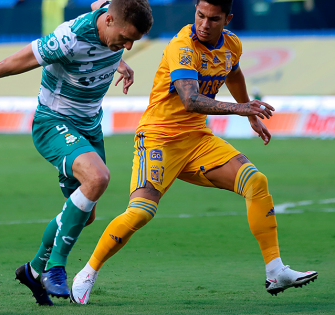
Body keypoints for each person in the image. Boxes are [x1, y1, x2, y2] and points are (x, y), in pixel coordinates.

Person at [0, 0, 153, 305]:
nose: (127, 47)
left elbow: (100, 7)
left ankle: (33, 271)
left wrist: (116, 61)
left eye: (133, 42)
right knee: (98, 177)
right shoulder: (68, 39)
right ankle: (56, 268)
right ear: (110, 20)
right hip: (55, 122)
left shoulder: (111, 13)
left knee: (83, 217)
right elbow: (4, 66)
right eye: (125, 38)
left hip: (89, 126)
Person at [70, 0, 318, 304]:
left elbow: (233, 73)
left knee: (256, 182)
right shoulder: (182, 46)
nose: (203, 24)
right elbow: (190, 99)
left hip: (197, 140)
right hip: (158, 138)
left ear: (227, 19)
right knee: (141, 213)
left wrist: (251, 114)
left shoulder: (232, 46)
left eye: (213, 19)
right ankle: (87, 272)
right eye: (200, 15)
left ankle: (275, 270)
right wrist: (242, 109)